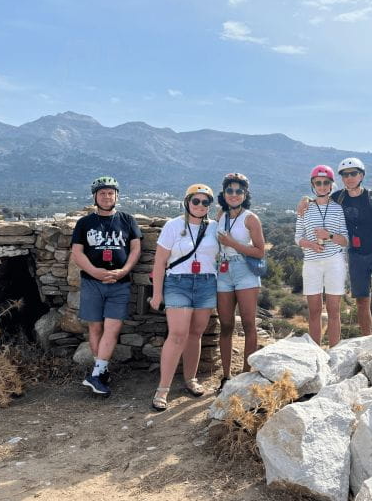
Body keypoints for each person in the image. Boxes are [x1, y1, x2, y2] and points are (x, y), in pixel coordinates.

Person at [298, 158, 372, 351]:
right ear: (341, 178)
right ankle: (367, 344)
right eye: (345, 175)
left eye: (354, 173)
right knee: (362, 301)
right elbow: (319, 198)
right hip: (355, 256)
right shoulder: (338, 197)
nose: (350, 177)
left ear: (361, 175)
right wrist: (305, 200)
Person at [148, 184, 219, 411]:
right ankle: (163, 388)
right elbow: (160, 262)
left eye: (205, 202)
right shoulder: (173, 225)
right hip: (178, 282)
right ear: (187, 202)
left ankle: (190, 379)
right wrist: (157, 293)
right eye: (195, 201)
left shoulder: (214, 227)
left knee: (196, 333)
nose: (200, 206)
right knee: (177, 334)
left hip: (206, 282)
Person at [70, 176, 142, 397]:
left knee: (113, 327)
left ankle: (97, 374)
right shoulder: (84, 223)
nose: (107, 196)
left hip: (119, 284)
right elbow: (77, 253)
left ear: (117, 196)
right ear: (95, 196)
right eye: (102, 193)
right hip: (92, 282)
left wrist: (123, 271)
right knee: (95, 328)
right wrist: (95, 271)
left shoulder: (127, 220)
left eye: (111, 193)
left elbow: (135, 249)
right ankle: (101, 371)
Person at [215, 173, 265, 392]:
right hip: (223, 270)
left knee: (248, 323)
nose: (234, 195)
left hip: (244, 270)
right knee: (225, 324)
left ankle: (245, 376)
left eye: (238, 191)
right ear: (224, 193)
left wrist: (232, 243)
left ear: (245, 195)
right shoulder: (220, 215)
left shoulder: (250, 218)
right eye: (230, 191)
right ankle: (226, 376)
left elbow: (260, 250)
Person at [295, 165, 349, 347]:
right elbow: (297, 237)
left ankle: (334, 353)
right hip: (311, 262)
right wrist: (310, 244)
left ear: (331, 184)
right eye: (318, 182)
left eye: (326, 182)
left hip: (335, 261)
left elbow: (345, 240)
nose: (322, 186)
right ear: (313, 184)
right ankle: (315, 353)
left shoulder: (338, 209)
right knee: (314, 311)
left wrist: (329, 236)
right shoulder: (305, 208)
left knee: (334, 311)